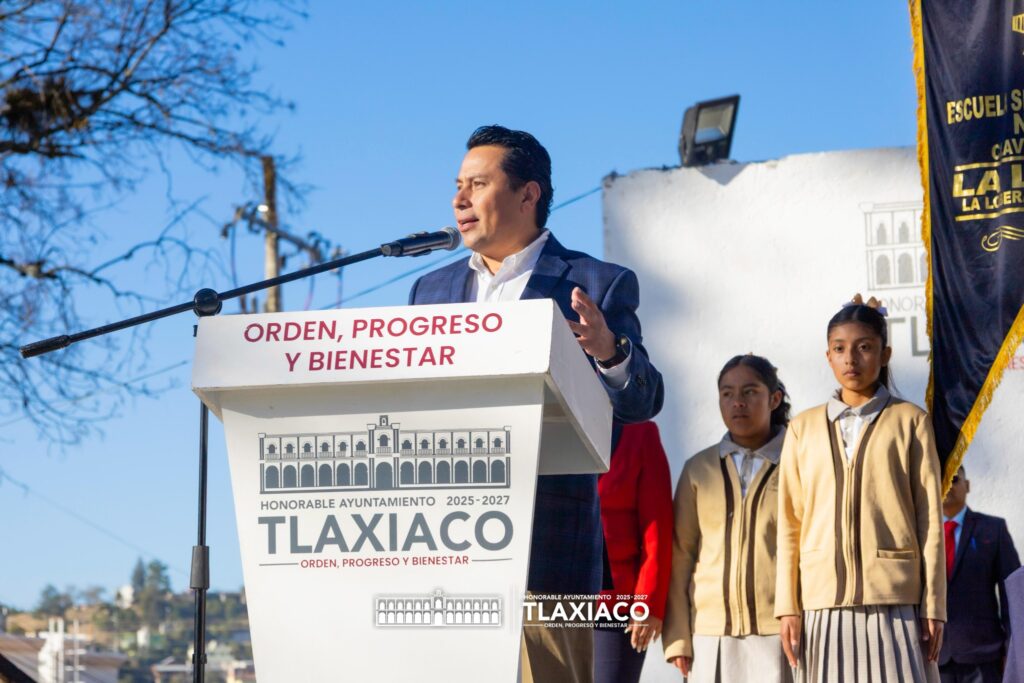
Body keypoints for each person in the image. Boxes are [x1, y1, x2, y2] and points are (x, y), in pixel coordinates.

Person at [408, 124, 664, 683]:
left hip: (545, 557)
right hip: (441, 555)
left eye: (477, 184)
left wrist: (609, 350)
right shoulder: (429, 292)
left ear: (528, 195)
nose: (458, 199)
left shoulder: (597, 283)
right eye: (457, 185)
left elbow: (643, 401)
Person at [775, 296, 946, 683]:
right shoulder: (802, 428)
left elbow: (930, 521)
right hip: (822, 605)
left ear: (885, 354)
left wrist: (934, 604)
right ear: (828, 356)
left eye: (864, 347)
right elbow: (789, 524)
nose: (850, 358)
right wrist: (788, 605)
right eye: (839, 349)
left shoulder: (910, 421)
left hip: (896, 603)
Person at [663, 353, 793, 682]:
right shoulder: (698, 469)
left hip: (781, 631)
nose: (738, 403)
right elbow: (680, 553)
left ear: (774, 398)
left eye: (750, 392)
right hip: (710, 633)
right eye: (727, 394)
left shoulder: (799, 461)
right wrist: (678, 636)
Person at [595, 420, 673, 683]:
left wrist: (647, 603)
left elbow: (657, 529)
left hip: (616, 606)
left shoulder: (639, 433)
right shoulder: (555, 424)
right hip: (556, 598)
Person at [939, 465, 1021, 683]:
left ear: (967, 485)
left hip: (984, 657)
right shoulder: (921, 535)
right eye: (940, 480)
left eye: (954, 479)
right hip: (934, 658)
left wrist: (1013, 651)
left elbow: (1013, 595)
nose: (947, 486)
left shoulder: (993, 529)